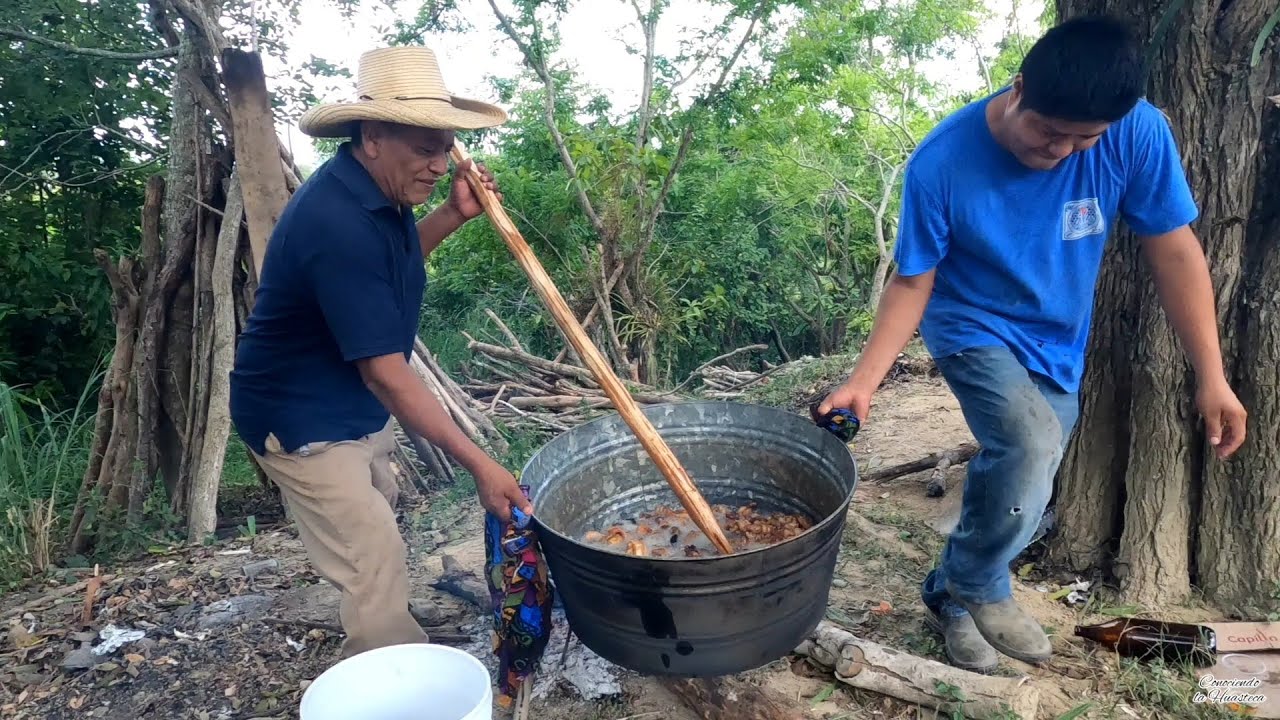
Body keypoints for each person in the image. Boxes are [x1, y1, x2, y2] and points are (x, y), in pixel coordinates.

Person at [818, 15, 1248, 672]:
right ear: (1018, 88)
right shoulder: (943, 161)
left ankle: (949, 594)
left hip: (1056, 339)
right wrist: (863, 381)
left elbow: (1176, 252)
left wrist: (1211, 376)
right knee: (1029, 442)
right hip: (969, 324)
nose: (1062, 151)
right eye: (1048, 131)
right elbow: (912, 280)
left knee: (1026, 479)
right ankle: (981, 584)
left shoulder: (1136, 133)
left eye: (1084, 139)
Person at [228, 46, 533, 660]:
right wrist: (482, 465)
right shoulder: (336, 220)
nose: (439, 164)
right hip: (300, 417)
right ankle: (390, 676)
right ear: (372, 136)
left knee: (376, 517)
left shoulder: (377, 192)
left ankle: (386, 626)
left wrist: (452, 213)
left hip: (349, 404)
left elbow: (389, 269)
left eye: (446, 148)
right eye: (424, 149)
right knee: (372, 555)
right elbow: (388, 375)